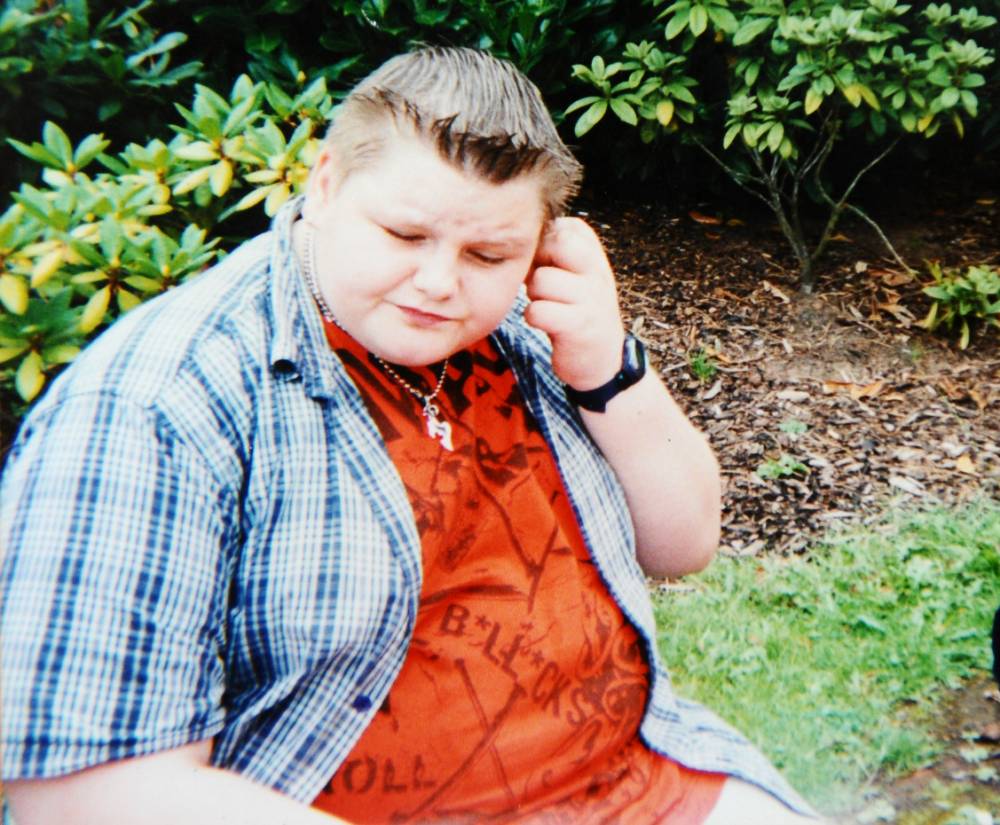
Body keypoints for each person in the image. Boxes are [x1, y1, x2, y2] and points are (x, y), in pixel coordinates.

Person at [1, 47, 819, 824]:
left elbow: (685, 544)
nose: (439, 283)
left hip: (640, 780)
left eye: (488, 253)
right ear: (326, 184)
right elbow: (80, 798)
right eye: (405, 235)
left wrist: (607, 368)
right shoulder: (154, 405)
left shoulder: (526, 329)